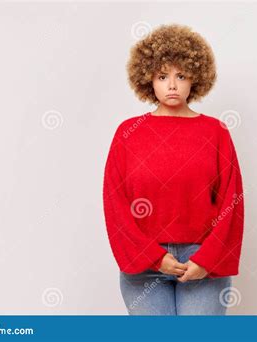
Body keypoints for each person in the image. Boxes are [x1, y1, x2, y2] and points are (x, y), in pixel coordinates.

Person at [103, 23, 245, 315]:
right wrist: (153, 257)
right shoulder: (128, 133)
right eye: (162, 75)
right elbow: (115, 204)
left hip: (202, 261)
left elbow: (232, 200)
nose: (171, 85)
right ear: (147, 79)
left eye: (181, 76)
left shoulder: (215, 132)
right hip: (142, 266)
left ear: (195, 78)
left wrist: (207, 259)